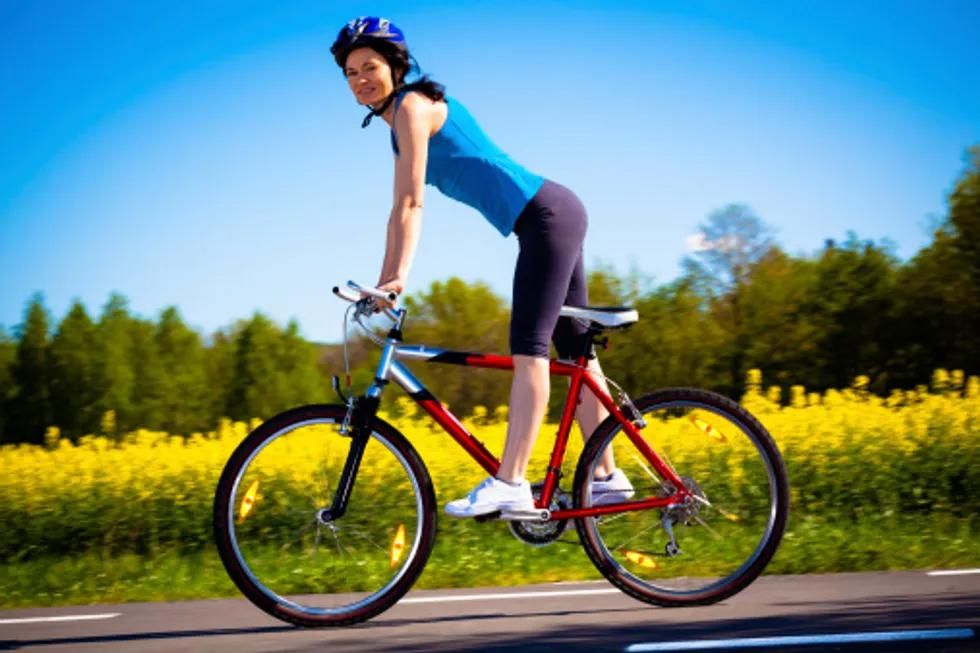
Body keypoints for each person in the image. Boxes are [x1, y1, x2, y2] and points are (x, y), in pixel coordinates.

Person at [330, 17, 633, 517]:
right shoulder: (400, 123)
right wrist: (386, 279)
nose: (361, 78)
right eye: (350, 71)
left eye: (371, 66)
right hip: (550, 215)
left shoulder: (411, 106)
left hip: (545, 217)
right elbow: (398, 208)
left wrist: (394, 280)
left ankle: (511, 482)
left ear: (396, 67)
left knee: (530, 350)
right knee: (577, 354)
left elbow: (410, 204)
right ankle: (606, 476)